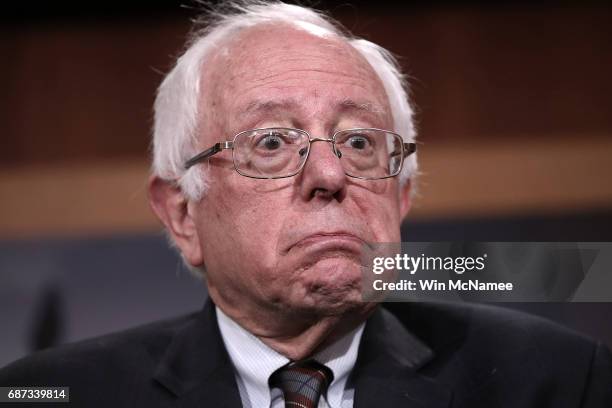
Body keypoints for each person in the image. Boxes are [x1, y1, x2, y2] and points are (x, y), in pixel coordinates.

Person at [1, 2, 611, 407]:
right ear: (183, 214)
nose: (329, 174)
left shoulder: (556, 381)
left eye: (360, 143)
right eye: (270, 143)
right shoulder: (56, 394)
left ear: (400, 198)